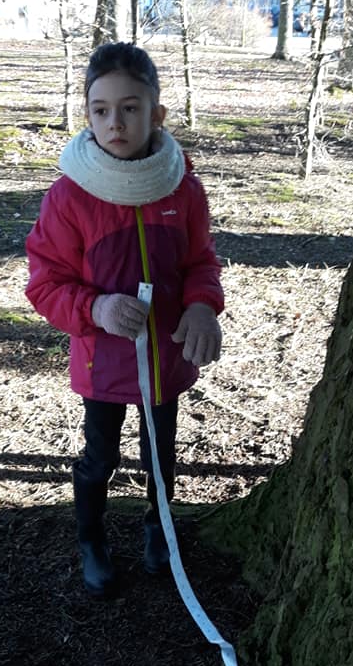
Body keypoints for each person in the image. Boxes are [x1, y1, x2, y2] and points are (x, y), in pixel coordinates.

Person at [25, 42, 224, 598]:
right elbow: (45, 283)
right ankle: (92, 540)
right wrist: (97, 308)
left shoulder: (182, 188)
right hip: (102, 364)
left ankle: (160, 530)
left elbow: (200, 261)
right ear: (87, 115)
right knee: (100, 457)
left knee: (161, 453)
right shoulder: (70, 197)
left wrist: (203, 305)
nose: (116, 122)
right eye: (102, 110)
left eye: (130, 108)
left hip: (166, 358)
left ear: (156, 114)